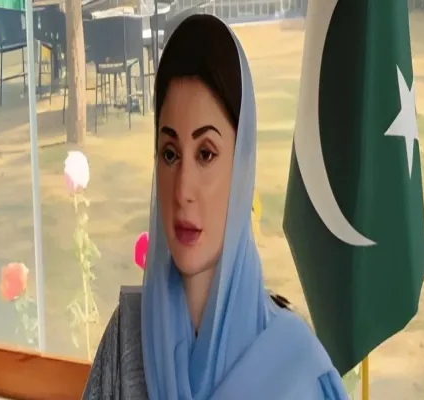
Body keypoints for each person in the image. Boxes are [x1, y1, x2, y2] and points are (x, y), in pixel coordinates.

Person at [83, 13, 348, 400]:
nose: (182, 190)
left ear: (242, 164)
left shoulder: (299, 370)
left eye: (205, 153)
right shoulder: (126, 340)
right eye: (170, 153)